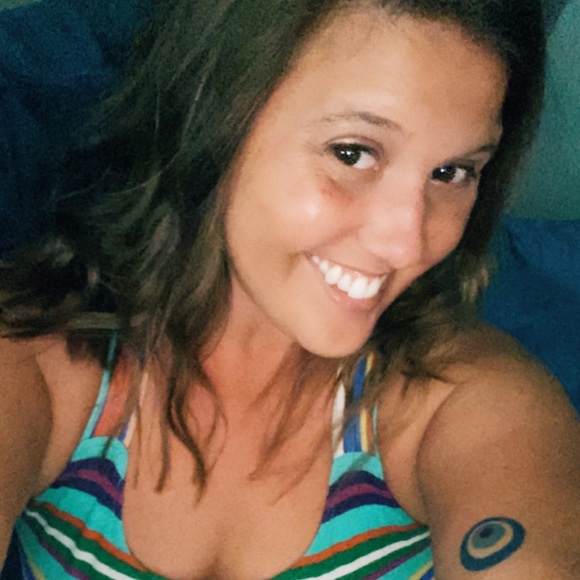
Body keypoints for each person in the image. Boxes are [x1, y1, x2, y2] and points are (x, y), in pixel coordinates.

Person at [0, 0, 578, 578]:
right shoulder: (34, 368)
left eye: (452, 172)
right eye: (352, 153)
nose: (406, 243)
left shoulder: (471, 407)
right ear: (210, 123)